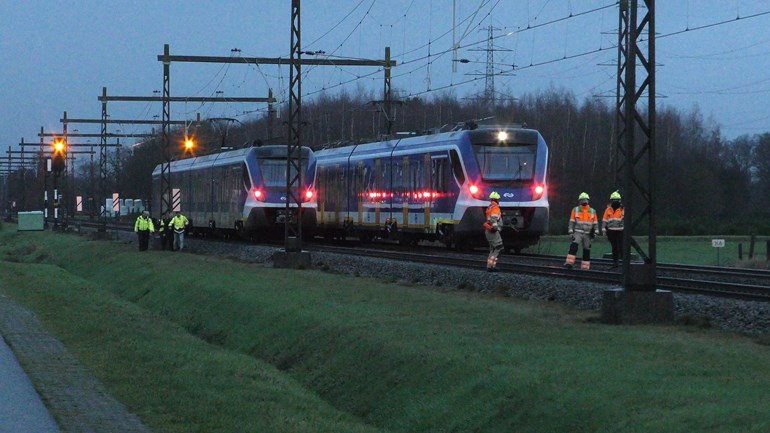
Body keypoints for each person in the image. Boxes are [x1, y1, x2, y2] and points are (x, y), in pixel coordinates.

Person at [564, 192, 599, 270]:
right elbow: (572, 222)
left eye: (585, 199)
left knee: (587, 250)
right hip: (578, 232)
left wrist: (596, 233)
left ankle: (585, 267)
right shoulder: (575, 210)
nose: (584, 201)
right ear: (579, 201)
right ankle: (569, 263)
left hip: (588, 234)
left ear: (588, 200)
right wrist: (570, 232)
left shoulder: (593, 211)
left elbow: (595, 223)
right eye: (582, 199)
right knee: (574, 246)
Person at [602, 190, 624, 268]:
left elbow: (625, 220)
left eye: (616, 200)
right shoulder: (608, 210)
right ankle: (616, 262)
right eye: (614, 200)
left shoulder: (622, 209)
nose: (615, 202)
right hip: (611, 231)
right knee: (614, 247)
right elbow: (604, 220)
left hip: (620, 231)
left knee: (620, 246)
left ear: (619, 200)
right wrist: (604, 230)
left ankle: (622, 261)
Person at [483, 191, 504, 272]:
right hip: (492, 231)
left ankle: (489, 266)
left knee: (492, 249)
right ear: (496, 199)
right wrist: (496, 228)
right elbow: (493, 218)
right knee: (499, 248)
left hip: (488, 230)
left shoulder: (489, 207)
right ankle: (492, 266)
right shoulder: (495, 207)